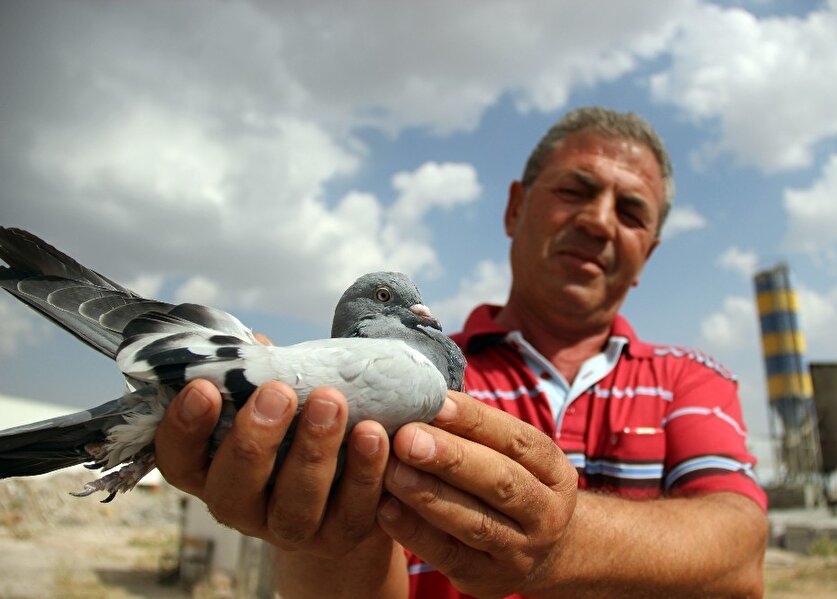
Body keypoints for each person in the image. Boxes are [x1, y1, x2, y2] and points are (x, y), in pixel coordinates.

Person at [155, 107, 768, 598]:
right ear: (514, 208)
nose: (599, 221)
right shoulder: (414, 375)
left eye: (631, 211)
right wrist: (322, 530)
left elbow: (740, 556)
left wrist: (560, 541)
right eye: (575, 189)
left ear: (648, 253)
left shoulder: (692, 379)